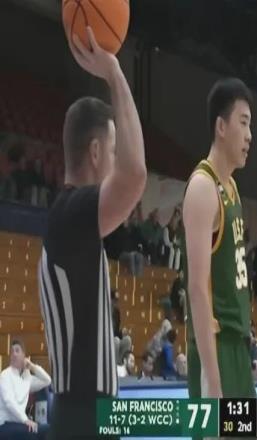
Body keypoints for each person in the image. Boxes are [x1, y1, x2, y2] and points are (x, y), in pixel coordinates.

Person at [38, 26, 147, 439]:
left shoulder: (69, 219)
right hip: (85, 416)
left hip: (85, 411)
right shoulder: (71, 215)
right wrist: (115, 74)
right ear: (97, 152)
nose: (117, 159)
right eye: (113, 151)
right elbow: (135, 176)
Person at [182, 77, 254, 398]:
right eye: (244, 123)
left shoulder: (232, 188)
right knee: (217, 425)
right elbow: (198, 288)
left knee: (246, 426)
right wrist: (212, 380)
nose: (250, 135)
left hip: (237, 347)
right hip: (215, 349)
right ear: (221, 127)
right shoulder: (202, 187)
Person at [0, 340, 51, 439]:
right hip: (3, 424)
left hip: (19, 423)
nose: (14, 354)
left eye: (17, 351)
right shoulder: (5, 375)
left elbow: (47, 380)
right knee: (33, 433)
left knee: (48, 429)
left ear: (24, 356)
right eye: (12, 351)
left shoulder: (27, 378)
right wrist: (25, 420)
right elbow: (9, 402)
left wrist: (32, 366)